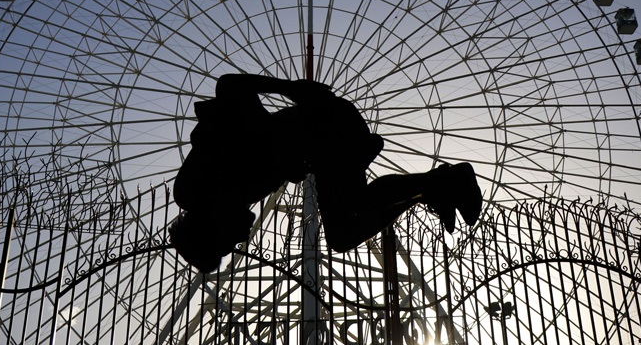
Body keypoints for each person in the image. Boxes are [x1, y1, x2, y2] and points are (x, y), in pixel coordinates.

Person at [170, 74, 482, 272]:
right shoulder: (234, 196)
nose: (240, 239)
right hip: (318, 151)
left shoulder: (195, 188)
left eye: (228, 242)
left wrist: (293, 90)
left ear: (210, 230)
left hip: (325, 124)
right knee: (343, 235)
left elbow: (230, 86)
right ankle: (431, 189)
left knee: (353, 204)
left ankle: (444, 181)